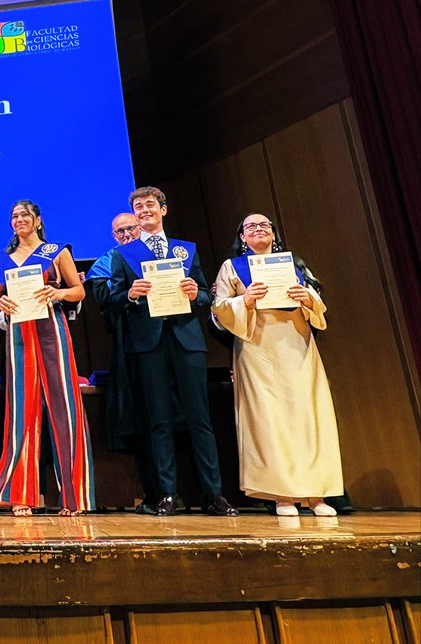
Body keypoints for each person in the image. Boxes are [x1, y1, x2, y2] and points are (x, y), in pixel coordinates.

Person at [107, 186, 237, 516]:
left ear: (163, 210)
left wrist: (197, 293)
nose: (144, 209)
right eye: (138, 206)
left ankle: (213, 494)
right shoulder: (123, 255)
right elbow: (114, 301)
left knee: (200, 419)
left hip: (186, 340)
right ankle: (167, 494)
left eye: (150, 204)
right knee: (158, 420)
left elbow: (208, 297)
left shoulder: (185, 249)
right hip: (148, 344)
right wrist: (132, 294)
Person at [211, 213, 341, 517]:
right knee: (269, 419)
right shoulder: (232, 268)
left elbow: (317, 299)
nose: (258, 229)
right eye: (250, 227)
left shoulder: (293, 264)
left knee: (309, 415)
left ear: (274, 233)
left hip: (297, 342)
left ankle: (316, 495)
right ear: (242, 237)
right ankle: (283, 495)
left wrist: (307, 298)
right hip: (258, 346)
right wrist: (244, 301)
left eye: (264, 225)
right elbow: (217, 309)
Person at [0, 200, 95, 516]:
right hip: (19, 334)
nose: (19, 220)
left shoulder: (57, 252)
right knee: (22, 411)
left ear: (38, 220)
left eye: (25, 215)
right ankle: (21, 495)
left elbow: (78, 291)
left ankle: (74, 498)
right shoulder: (4, 259)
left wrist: (57, 293)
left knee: (65, 408)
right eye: (14, 216)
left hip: (52, 330)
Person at [85, 213, 161, 512]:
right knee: (140, 418)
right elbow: (103, 296)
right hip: (128, 343)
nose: (127, 234)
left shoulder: (161, 254)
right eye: (120, 231)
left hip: (164, 341)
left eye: (131, 228)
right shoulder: (106, 261)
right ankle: (150, 491)